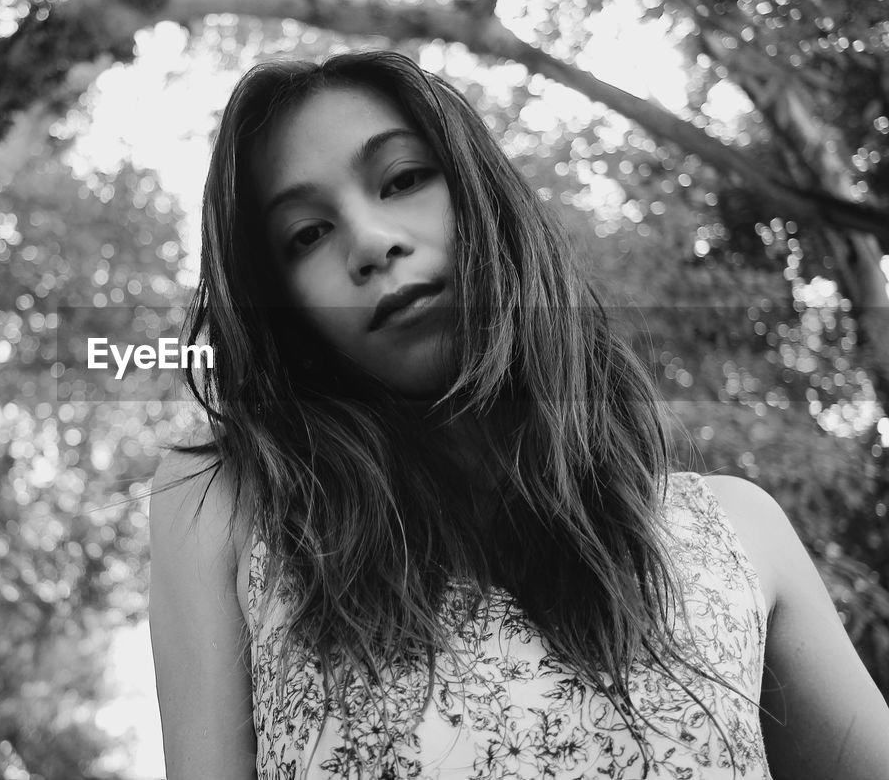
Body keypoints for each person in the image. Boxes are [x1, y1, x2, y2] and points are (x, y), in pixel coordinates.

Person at [147, 50, 889, 779]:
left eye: (403, 178)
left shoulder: (740, 532)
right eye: (307, 234)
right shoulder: (224, 507)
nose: (370, 243)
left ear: (485, 197)